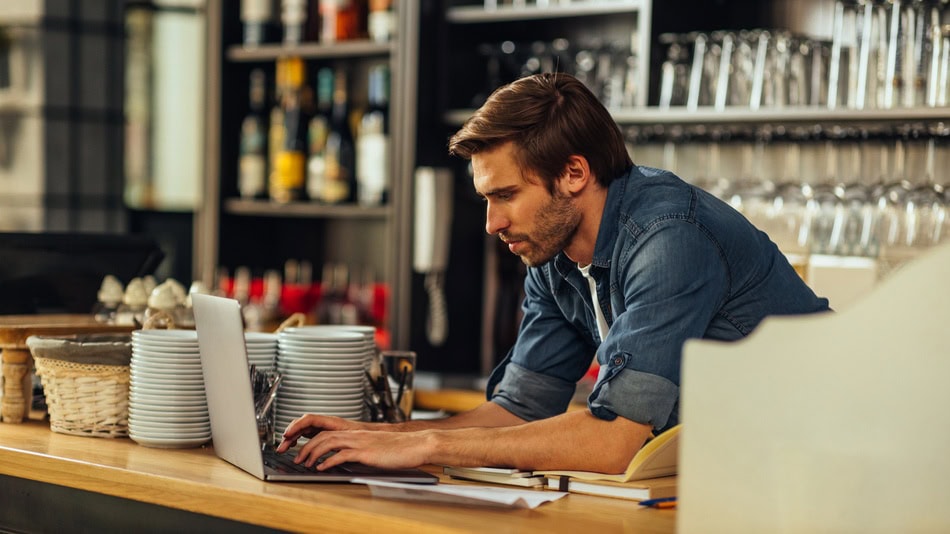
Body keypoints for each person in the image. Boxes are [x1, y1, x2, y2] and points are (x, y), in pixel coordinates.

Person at [277, 73, 830, 473]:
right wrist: (382, 436)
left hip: (826, 455)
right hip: (737, 465)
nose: (492, 223)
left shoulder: (667, 238)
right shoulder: (553, 252)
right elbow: (519, 410)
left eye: (507, 195)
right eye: (486, 200)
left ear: (573, 173)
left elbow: (613, 440)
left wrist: (429, 447)